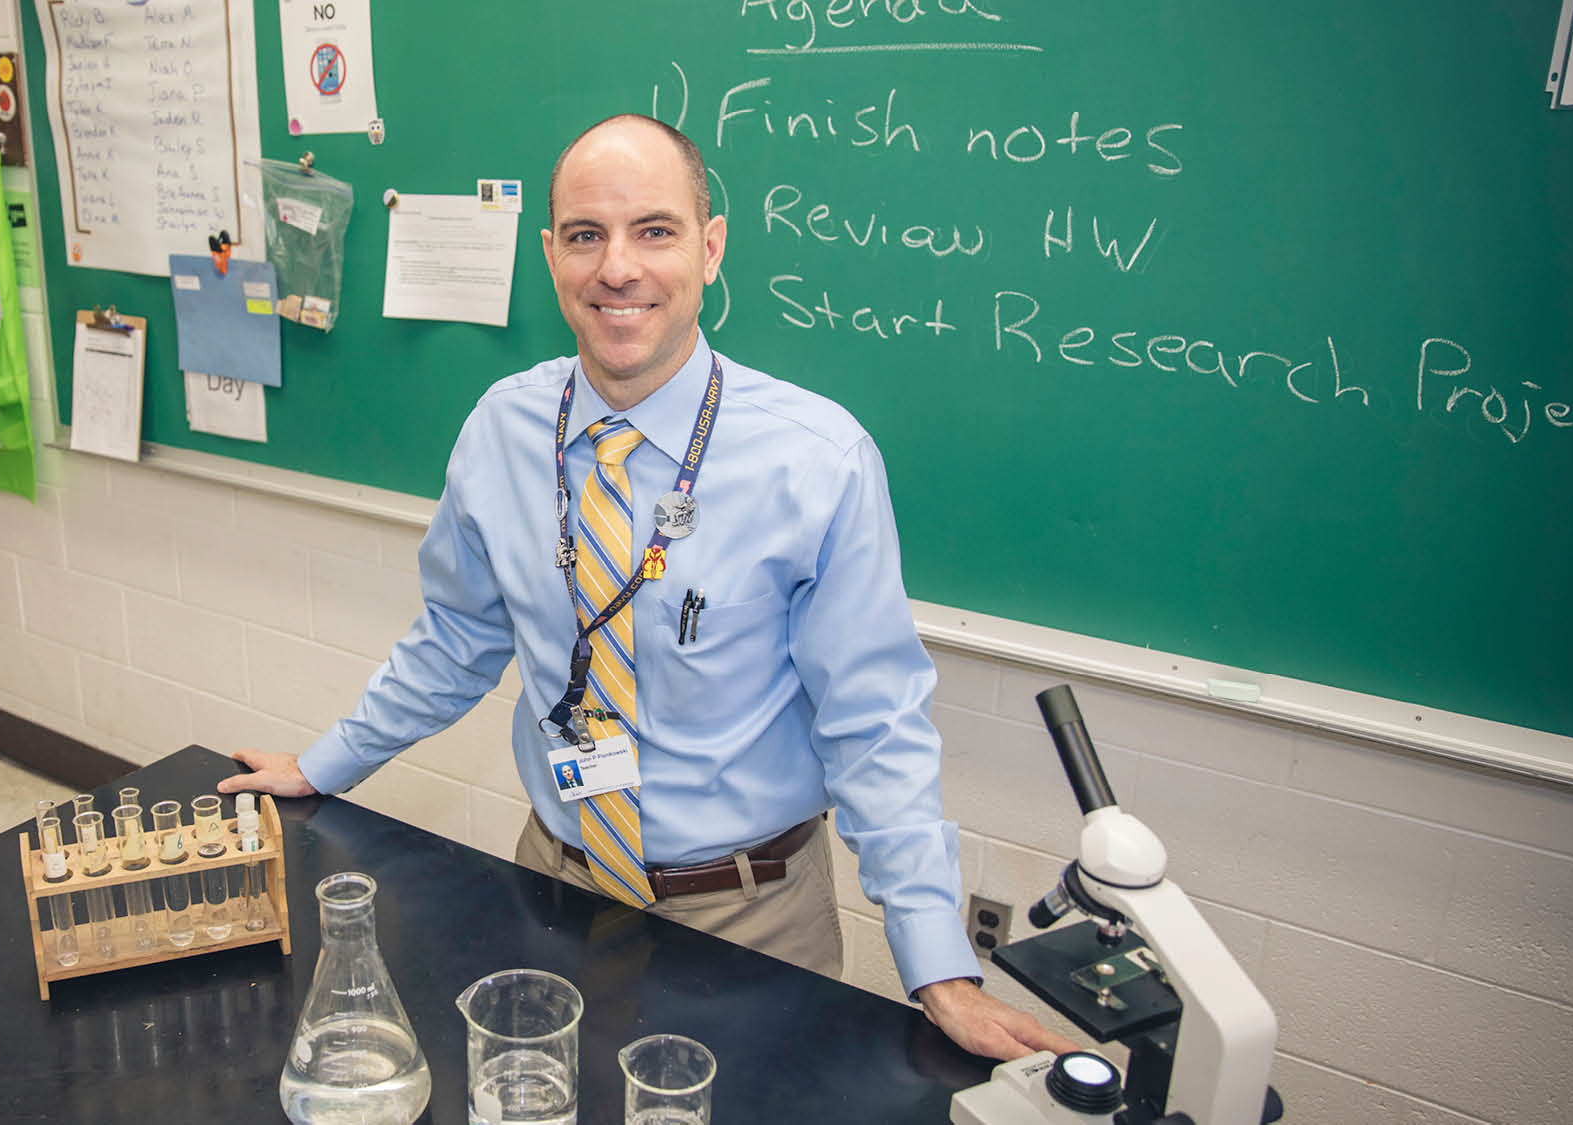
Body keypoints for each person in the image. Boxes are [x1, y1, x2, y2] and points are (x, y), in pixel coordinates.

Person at [220, 113, 1075, 1061]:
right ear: (551, 255)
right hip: (552, 885)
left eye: (654, 231)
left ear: (710, 248)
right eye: (586, 236)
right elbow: (455, 643)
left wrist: (939, 966)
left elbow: (873, 722)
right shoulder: (502, 431)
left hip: (751, 922)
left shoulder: (818, 461)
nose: (616, 268)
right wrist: (321, 765)